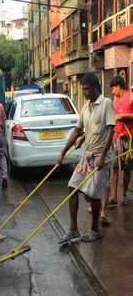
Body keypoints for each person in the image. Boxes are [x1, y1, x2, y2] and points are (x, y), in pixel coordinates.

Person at [57, 73, 115, 243]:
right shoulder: (84, 108)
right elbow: (77, 130)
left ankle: (94, 230)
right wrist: (63, 151)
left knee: (95, 194)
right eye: (83, 89)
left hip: (100, 155)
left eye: (87, 89)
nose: (84, 92)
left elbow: (111, 130)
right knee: (72, 187)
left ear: (96, 87)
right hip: (87, 155)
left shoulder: (106, 104)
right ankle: (73, 230)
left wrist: (103, 156)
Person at [108, 76, 133, 207]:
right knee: (115, 167)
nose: (112, 91)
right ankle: (113, 197)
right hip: (117, 137)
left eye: (113, 88)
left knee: (127, 168)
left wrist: (125, 116)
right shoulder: (115, 100)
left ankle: (123, 196)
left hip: (129, 138)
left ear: (118, 86)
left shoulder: (131, 97)